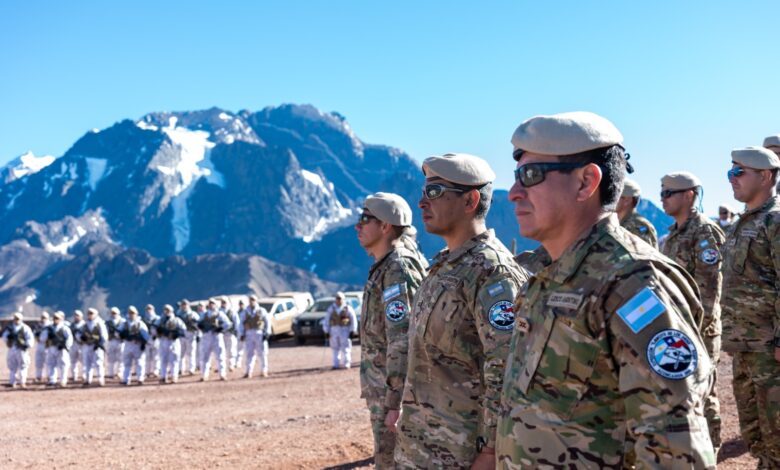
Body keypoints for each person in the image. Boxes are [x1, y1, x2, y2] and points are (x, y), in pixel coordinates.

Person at [496, 111, 715, 468]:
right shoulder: (551, 274)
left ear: (586, 182)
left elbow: (676, 447)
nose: (514, 193)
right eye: (516, 177)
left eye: (530, 175)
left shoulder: (634, 282)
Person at [394, 153, 529, 470]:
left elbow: (506, 369)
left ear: (470, 201)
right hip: (420, 447)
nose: (422, 202)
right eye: (424, 191)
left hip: (460, 454)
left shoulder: (493, 272)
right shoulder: (445, 264)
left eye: (434, 192)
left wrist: (490, 451)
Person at [355, 192, 428, 469]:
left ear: (385, 226)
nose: (358, 226)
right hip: (384, 390)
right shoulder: (386, 266)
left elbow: (403, 339)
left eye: (365, 219)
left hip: (393, 395)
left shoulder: (397, 267)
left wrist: (395, 402)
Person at [721, 146, 780, 467]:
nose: (731, 178)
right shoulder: (741, 223)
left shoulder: (775, 220)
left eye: (738, 172)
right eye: (730, 172)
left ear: (765, 176)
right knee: (755, 435)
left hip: (770, 350)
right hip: (743, 345)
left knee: (777, 434)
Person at [660, 171, 725, 454]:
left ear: (688, 196)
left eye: (668, 193)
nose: (662, 199)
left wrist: (696, 329)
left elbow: (710, 289)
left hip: (699, 328)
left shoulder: (704, 232)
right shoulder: (673, 235)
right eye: (662, 193)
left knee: (703, 390)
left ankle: (711, 451)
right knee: (681, 392)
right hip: (677, 326)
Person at [616, 178, 658, 248]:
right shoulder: (616, 222)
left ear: (627, 200)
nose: (610, 199)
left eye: (615, 196)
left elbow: (646, 253)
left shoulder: (639, 225)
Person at [198, 298, 231, 381]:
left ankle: (222, 374)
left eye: (213, 303)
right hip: (206, 336)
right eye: (210, 303)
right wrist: (200, 326)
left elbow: (228, 323)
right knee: (205, 356)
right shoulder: (204, 314)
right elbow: (198, 323)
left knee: (220, 356)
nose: (211, 305)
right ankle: (204, 375)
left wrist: (220, 328)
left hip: (216, 336)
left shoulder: (220, 314)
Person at [239, 295, 272, 378]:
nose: (252, 301)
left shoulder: (261, 311)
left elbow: (267, 321)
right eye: (250, 300)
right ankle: (248, 371)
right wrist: (241, 334)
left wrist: (267, 332)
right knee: (249, 353)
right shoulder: (245, 312)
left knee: (262, 353)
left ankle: (264, 370)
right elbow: (241, 324)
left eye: (253, 300)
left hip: (259, 333)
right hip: (249, 333)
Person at [322, 293, 357, 370]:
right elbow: (327, 320)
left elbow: (353, 319)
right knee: (335, 348)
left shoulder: (348, 308)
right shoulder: (331, 309)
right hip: (334, 330)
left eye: (340, 298)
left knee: (346, 347)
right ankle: (336, 364)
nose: (338, 300)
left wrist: (353, 330)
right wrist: (326, 331)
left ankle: (347, 363)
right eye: (337, 298)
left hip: (344, 330)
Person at [155, 304, 186, 384]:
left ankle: (174, 377)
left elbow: (183, 330)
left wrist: (176, 334)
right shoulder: (160, 320)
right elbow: (154, 329)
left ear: (172, 311)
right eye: (165, 310)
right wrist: (158, 332)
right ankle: (163, 377)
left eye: (168, 310)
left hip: (173, 341)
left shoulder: (177, 320)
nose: (166, 312)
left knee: (174, 360)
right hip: (163, 340)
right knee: (163, 359)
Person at [41, 311, 73, 387]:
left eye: (57, 318)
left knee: (63, 365)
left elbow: (69, 338)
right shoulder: (49, 329)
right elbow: (42, 338)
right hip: (51, 348)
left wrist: (65, 346)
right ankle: (52, 380)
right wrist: (47, 337)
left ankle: (63, 381)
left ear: (61, 319)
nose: (56, 320)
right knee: (51, 364)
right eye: (55, 318)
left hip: (61, 349)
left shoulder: (64, 328)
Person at [2, 312, 34, 388]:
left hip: (22, 350)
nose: (16, 320)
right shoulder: (10, 328)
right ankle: (12, 382)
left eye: (18, 319)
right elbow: (4, 337)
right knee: (12, 366)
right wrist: (9, 338)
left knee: (23, 366)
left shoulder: (25, 328)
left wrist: (26, 345)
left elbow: (30, 339)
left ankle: (22, 382)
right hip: (12, 349)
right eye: (15, 318)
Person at [120, 306, 149, 386]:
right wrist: (122, 335)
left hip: (137, 345)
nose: (131, 315)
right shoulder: (124, 324)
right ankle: (126, 379)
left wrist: (143, 343)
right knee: (127, 363)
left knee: (139, 362)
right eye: (130, 313)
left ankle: (140, 379)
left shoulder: (140, 324)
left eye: (133, 313)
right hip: (127, 344)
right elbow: (118, 333)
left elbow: (145, 335)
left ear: (136, 314)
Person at [80, 308, 108, 387]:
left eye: (91, 313)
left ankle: (100, 380)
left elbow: (104, 336)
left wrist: (99, 344)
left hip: (96, 346)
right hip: (87, 346)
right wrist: (81, 338)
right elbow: (80, 334)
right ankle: (88, 380)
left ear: (96, 314)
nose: (90, 315)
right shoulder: (85, 324)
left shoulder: (99, 323)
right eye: (89, 313)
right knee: (87, 363)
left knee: (98, 363)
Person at [176, 299, 200, 376]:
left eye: (185, 304)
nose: (184, 306)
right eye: (183, 304)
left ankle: (191, 369)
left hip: (191, 334)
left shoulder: (193, 314)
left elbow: (199, 325)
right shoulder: (178, 315)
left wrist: (198, 335)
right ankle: (180, 369)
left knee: (191, 352)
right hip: (181, 336)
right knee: (180, 353)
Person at [219, 297, 240, 371]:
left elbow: (237, 322)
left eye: (224, 302)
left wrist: (236, 332)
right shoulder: (218, 311)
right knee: (221, 350)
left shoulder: (232, 311)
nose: (223, 303)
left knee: (231, 349)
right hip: (221, 334)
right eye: (222, 302)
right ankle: (222, 366)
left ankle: (231, 364)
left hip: (230, 333)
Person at [105, 307, 125, 379]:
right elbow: (105, 332)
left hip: (120, 342)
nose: (113, 314)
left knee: (121, 358)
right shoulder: (108, 322)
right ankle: (111, 373)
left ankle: (120, 372)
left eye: (115, 313)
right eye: (112, 313)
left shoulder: (123, 321)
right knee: (111, 358)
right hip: (111, 341)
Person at [32, 311, 52, 383]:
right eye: (42, 317)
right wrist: (36, 337)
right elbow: (34, 334)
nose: (43, 319)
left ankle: (49, 376)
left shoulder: (50, 326)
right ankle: (39, 376)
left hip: (47, 346)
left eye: (45, 318)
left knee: (48, 362)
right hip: (39, 345)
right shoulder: (38, 326)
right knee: (38, 362)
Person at [142, 304, 161, 379]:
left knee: (156, 356)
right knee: (147, 356)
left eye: (150, 309)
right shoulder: (143, 319)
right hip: (147, 339)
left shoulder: (158, 319)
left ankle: (156, 370)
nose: (149, 310)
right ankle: (147, 371)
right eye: (147, 309)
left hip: (156, 339)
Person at [68, 309, 85, 383]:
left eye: (78, 315)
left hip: (82, 345)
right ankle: (74, 376)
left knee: (84, 361)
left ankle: (84, 376)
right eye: (75, 315)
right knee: (73, 361)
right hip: (73, 344)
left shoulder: (85, 325)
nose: (76, 317)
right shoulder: (71, 326)